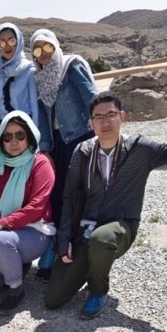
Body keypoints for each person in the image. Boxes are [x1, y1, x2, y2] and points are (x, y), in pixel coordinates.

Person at [44, 93, 167, 320]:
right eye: (99, 117)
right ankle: (91, 267)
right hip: (86, 229)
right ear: (90, 123)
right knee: (53, 299)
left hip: (120, 227)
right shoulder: (82, 152)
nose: (106, 122)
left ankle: (98, 290)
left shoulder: (138, 148)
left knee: (101, 240)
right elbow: (69, 199)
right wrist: (64, 239)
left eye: (111, 115)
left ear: (122, 117)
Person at [0, 111, 55, 315]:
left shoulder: (40, 163)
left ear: (30, 136)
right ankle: (14, 265)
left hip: (34, 232)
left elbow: (37, 207)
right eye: (7, 136)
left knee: (3, 241)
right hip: (1, 236)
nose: (13, 142)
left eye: (20, 135)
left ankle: (16, 289)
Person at [30, 28, 99, 264]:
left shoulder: (71, 66)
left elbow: (91, 96)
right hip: (59, 143)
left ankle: (84, 250)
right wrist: (45, 148)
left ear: (55, 46)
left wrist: (101, 129)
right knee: (58, 195)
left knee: (80, 194)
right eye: (37, 50)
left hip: (80, 137)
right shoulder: (40, 77)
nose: (43, 54)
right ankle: (60, 251)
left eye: (47, 47)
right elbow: (42, 115)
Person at [0, 22, 38, 139]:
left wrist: (36, 139)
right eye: (1, 43)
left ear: (18, 41)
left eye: (11, 41)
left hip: (25, 130)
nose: (7, 46)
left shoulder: (29, 70)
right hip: (4, 132)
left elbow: (35, 107)